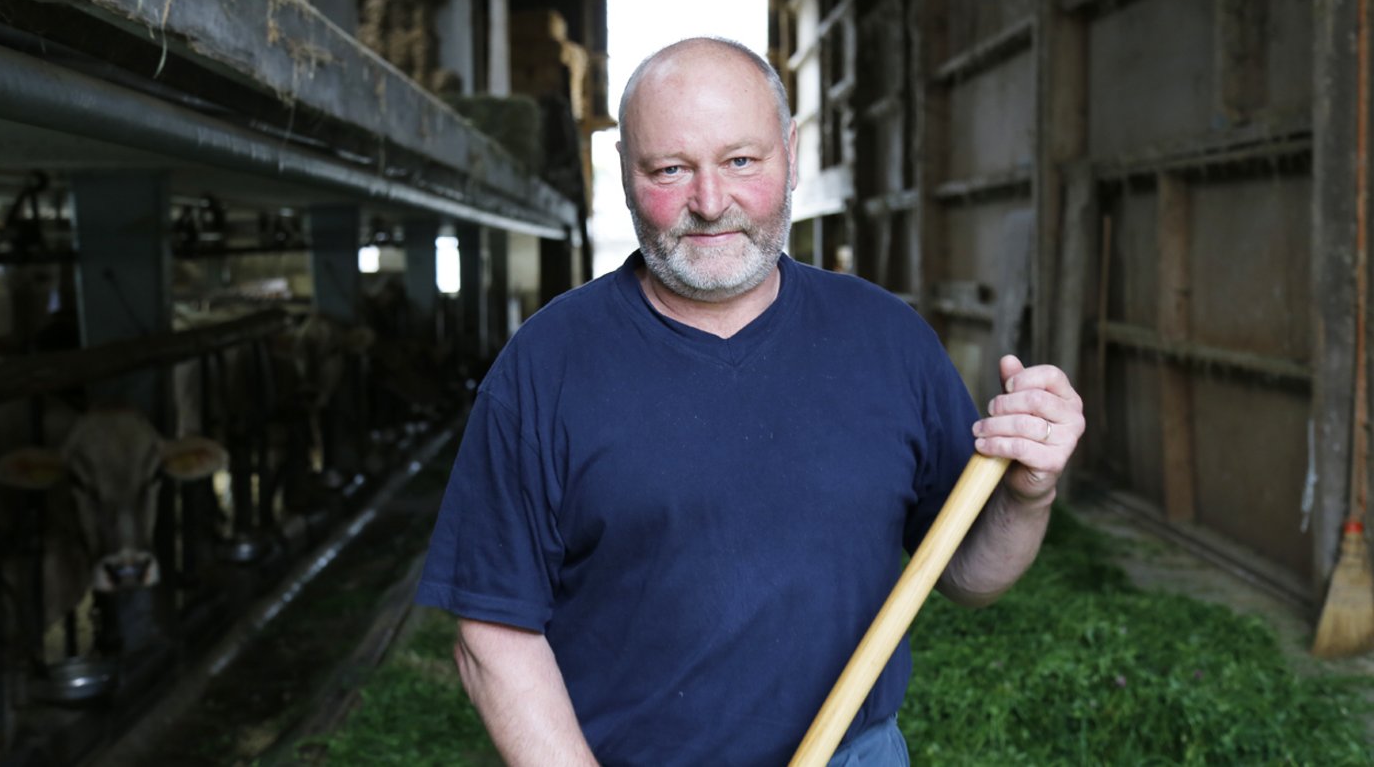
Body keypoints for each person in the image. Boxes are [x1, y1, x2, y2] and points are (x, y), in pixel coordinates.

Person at [417, 37, 1085, 766]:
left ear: (790, 153)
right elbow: (493, 632)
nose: (710, 203)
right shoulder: (545, 367)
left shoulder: (888, 339)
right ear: (624, 171)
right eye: (670, 170)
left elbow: (964, 575)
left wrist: (1028, 494)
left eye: (741, 161)